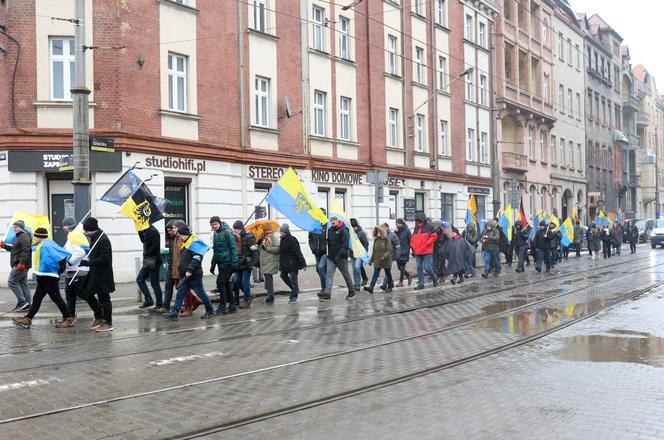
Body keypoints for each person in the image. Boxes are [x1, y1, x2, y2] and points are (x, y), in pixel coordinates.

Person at [12, 228, 74, 329]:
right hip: (43, 277)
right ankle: (28, 319)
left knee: (56, 298)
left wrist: (58, 271)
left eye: (35, 236)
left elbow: (62, 256)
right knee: (37, 299)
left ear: (39, 237)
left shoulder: (47, 245)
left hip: (49, 277)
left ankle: (68, 317)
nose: (33, 238)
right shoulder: (42, 245)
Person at [162, 225, 215, 321]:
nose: (180, 238)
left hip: (194, 275)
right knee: (180, 292)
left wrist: (190, 270)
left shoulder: (194, 243)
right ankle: (174, 313)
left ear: (185, 235)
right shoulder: (187, 243)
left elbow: (197, 258)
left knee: (201, 293)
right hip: (186, 275)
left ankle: (210, 311)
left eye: (181, 236)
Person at [59, 217, 103, 328]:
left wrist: (68, 263)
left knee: (85, 294)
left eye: (64, 225)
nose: (62, 228)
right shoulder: (73, 235)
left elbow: (80, 252)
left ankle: (100, 314)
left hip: (78, 271)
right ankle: (70, 317)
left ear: (67, 226)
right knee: (70, 295)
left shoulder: (74, 235)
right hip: (72, 271)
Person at [79, 217, 115, 332]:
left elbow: (105, 259)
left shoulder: (102, 239)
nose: (86, 233)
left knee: (104, 298)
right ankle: (99, 316)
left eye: (87, 231)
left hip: (103, 274)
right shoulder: (94, 238)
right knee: (86, 293)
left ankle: (108, 322)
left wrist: (88, 263)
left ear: (92, 230)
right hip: (95, 273)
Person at [320, 216, 355, 301]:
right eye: (331, 221)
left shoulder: (344, 230)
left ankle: (351, 291)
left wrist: (339, 255)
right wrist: (326, 240)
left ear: (337, 221)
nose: (332, 222)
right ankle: (328, 294)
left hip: (341, 257)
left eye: (333, 221)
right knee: (329, 275)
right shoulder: (330, 230)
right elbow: (330, 241)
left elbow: (345, 245)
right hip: (331, 257)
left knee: (345, 274)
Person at [0, 220, 32, 312]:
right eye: (13, 227)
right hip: (20, 264)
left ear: (21, 228)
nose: (14, 229)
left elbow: (26, 251)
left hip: (20, 264)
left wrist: (21, 263)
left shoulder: (24, 237)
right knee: (23, 283)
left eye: (16, 227)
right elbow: (15, 250)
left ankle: (22, 302)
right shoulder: (19, 237)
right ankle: (27, 304)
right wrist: (4, 246)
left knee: (11, 282)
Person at [210, 216, 239, 314]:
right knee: (226, 283)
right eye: (212, 225)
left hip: (227, 262)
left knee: (220, 282)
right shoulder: (215, 234)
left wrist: (235, 263)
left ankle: (223, 306)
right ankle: (232, 305)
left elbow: (233, 248)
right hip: (220, 262)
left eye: (215, 224)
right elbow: (215, 251)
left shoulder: (227, 232)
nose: (214, 226)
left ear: (219, 223)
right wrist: (213, 265)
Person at [135, 224, 163, 311]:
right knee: (140, 279)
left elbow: (156, 246)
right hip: (148, 260)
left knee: (154, 283)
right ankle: (149, 300)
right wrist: (140, 232)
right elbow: (144, 241)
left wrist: (147, 253)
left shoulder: (153, 231)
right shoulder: (146, 230)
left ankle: (159, 304)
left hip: (154, 260)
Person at [160, 220, 185, 313]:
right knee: (168, 285)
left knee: (181, 287)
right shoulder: (172, 239)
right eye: (168, 231)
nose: (170, 232)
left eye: (171, 230)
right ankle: (166, 306)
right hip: (171, 266)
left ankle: (187, 305)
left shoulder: (180, 238)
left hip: (179, 267)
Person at [233, 220, 259, 308]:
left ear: (241, 229)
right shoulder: (235, 238)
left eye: (237, 229)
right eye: (234, 229)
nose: (235, 230)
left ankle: (247, 300)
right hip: (238, 263)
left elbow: (255, 250)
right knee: (237, 281)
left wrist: (254, 263)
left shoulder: (249, 238)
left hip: (247, 263)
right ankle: (248, 295)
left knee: (245, 281)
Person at [278, 224, 306, 304]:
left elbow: (297, 252)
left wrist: (303, 264)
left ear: (286, 232)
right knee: (283, 276)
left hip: (292, 263)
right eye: (280, 231)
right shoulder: (282, 240)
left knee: (293, 279)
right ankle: (295, 290)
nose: (280, 233)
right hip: (284, 264)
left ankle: (294, 296)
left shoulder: (292, 239)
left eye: (282, 231)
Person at [410, 213, 438, 290]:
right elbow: (413, 238)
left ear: (421, 220)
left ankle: (434, 278)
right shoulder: (416, 228)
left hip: (427, 251)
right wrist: (413, 246)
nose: (416, 222)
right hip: (418, 251)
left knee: (428, 267)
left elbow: (434, 236)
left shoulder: (430, 227)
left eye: (417, 221)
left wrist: (426, 244)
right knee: (419, 268)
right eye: (416, 221)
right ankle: (421, 284)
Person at [364, 225, 394, 293]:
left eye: (379, 231)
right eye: (377, 231)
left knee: (388, 273)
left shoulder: (387, 239)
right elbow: (374, 251)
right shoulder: (376, 240)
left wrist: (384, 256)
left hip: (386, 260)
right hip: (377, 260)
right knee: (375, 274)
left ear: (382, 232)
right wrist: (371, 260)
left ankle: (390, 287)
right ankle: (371, 287)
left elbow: (389, 250)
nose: (378, 232)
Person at [308, 209, 327, 294]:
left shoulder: (327, 226)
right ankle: (327, 283)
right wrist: (313, 248)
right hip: (316, 252)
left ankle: (324, 287)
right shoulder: (313, 225)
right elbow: (310, 239)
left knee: (321, 267)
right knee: (318, 269)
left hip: (325, 252)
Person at [259, 224, 279, 303]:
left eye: (269, 230)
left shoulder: (274, 237)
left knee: (268, 278)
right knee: (267, 278)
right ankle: (269, 294)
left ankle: (270, 295)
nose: (268, 232)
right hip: (265, 261)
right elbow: (261, 249)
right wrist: (261, 244)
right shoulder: (263, 238)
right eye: (266, 230)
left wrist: (268, 248)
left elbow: (278, 248)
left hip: (271, 261)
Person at [350, 218, 369, 291]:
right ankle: (356, 283)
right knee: (354, 269)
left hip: (360, 254)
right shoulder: (350, 233)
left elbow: (366, 244)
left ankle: (357, 284)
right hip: (352, 254)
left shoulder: (361, 233)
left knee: (357, 267)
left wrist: (364, 254)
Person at [381, 223, 401, 289]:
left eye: (384, 228)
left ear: (387, 227)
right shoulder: (382, 235)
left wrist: (397, 255)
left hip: (391, 256)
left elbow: (397, 245)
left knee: (387, 270)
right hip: (385, 256)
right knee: (387, 271)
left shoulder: (393, 235)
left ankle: (384, 285)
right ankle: (391, 283)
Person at [394, 218, 413, 287]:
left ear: (402, 223)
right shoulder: (397, 231)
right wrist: (396, 232)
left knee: (402, 266)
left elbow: (410, 241)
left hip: (405, 251)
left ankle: (401, 282)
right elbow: (394, 239)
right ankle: (408, 276)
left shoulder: (407, 231)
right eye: (396, 223)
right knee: (399, 267)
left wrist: (412, 250)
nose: (397, 225)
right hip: (398, 251)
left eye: (398, 223)